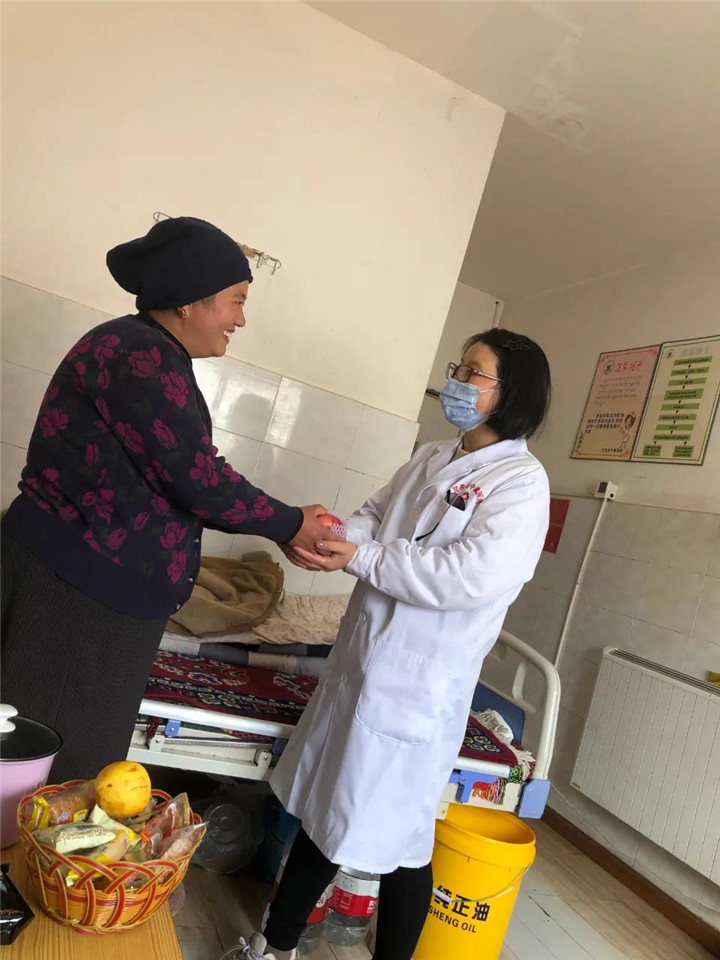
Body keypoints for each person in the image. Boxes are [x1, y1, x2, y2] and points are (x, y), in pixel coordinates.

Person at [226, 328, 552, 960]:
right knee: (324, 815)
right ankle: (274, 946)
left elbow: (466, 576)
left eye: (473, 372)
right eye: (459, 367)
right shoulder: (433, 455)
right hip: (362, 664)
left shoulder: (520, 484)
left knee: (402, 845)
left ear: (512, 393)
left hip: (415, 685)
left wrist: (361, 557)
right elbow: (375, 515)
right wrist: (333, 536)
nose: (456, 381)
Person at [0, 216, 337, 782]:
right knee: (49, 768)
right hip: (74, 592)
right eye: (237, 300)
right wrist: (289, 523)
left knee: (66, 768)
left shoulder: (150, 353)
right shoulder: (140, 354)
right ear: (189, 299)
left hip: (94, 590)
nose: (241, 318)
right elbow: (197, 478)